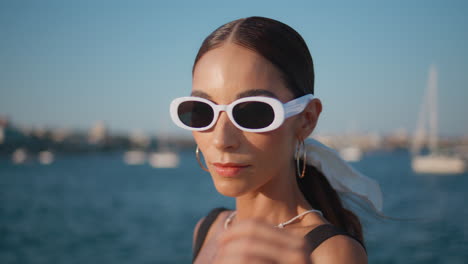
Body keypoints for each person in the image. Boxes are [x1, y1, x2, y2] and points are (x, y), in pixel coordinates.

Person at [170, 16, 382, 263]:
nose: (221, 140)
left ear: (306, 118)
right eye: (202, 110)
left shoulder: (331, 254)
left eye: (253, 112)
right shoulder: (208, 227)